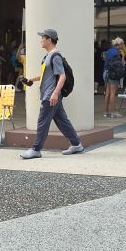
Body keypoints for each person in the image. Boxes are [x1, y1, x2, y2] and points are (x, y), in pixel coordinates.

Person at [19, 28, 83, 159]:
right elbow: (46, 75)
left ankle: (36, 149)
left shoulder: (55, 56)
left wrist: (54, 93)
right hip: (51, 94)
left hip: (50, 96)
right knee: (62, 121)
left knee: (42, 121)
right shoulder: (48, 56)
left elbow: (62, 76)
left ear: (49, 39)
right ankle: (76, 144)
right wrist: (31, 79)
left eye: (42, 37)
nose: (40, 40)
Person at [102, 37, 125, 118]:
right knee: (113, 93)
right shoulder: (116, 53)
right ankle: (113, 112)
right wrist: (123, 56)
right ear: (119, 44)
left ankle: (106, 112)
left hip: (106, 72)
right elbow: (119, 65)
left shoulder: (109, 51)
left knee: (107, 93)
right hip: (113, 74)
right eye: (122, 44)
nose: (122, 46)